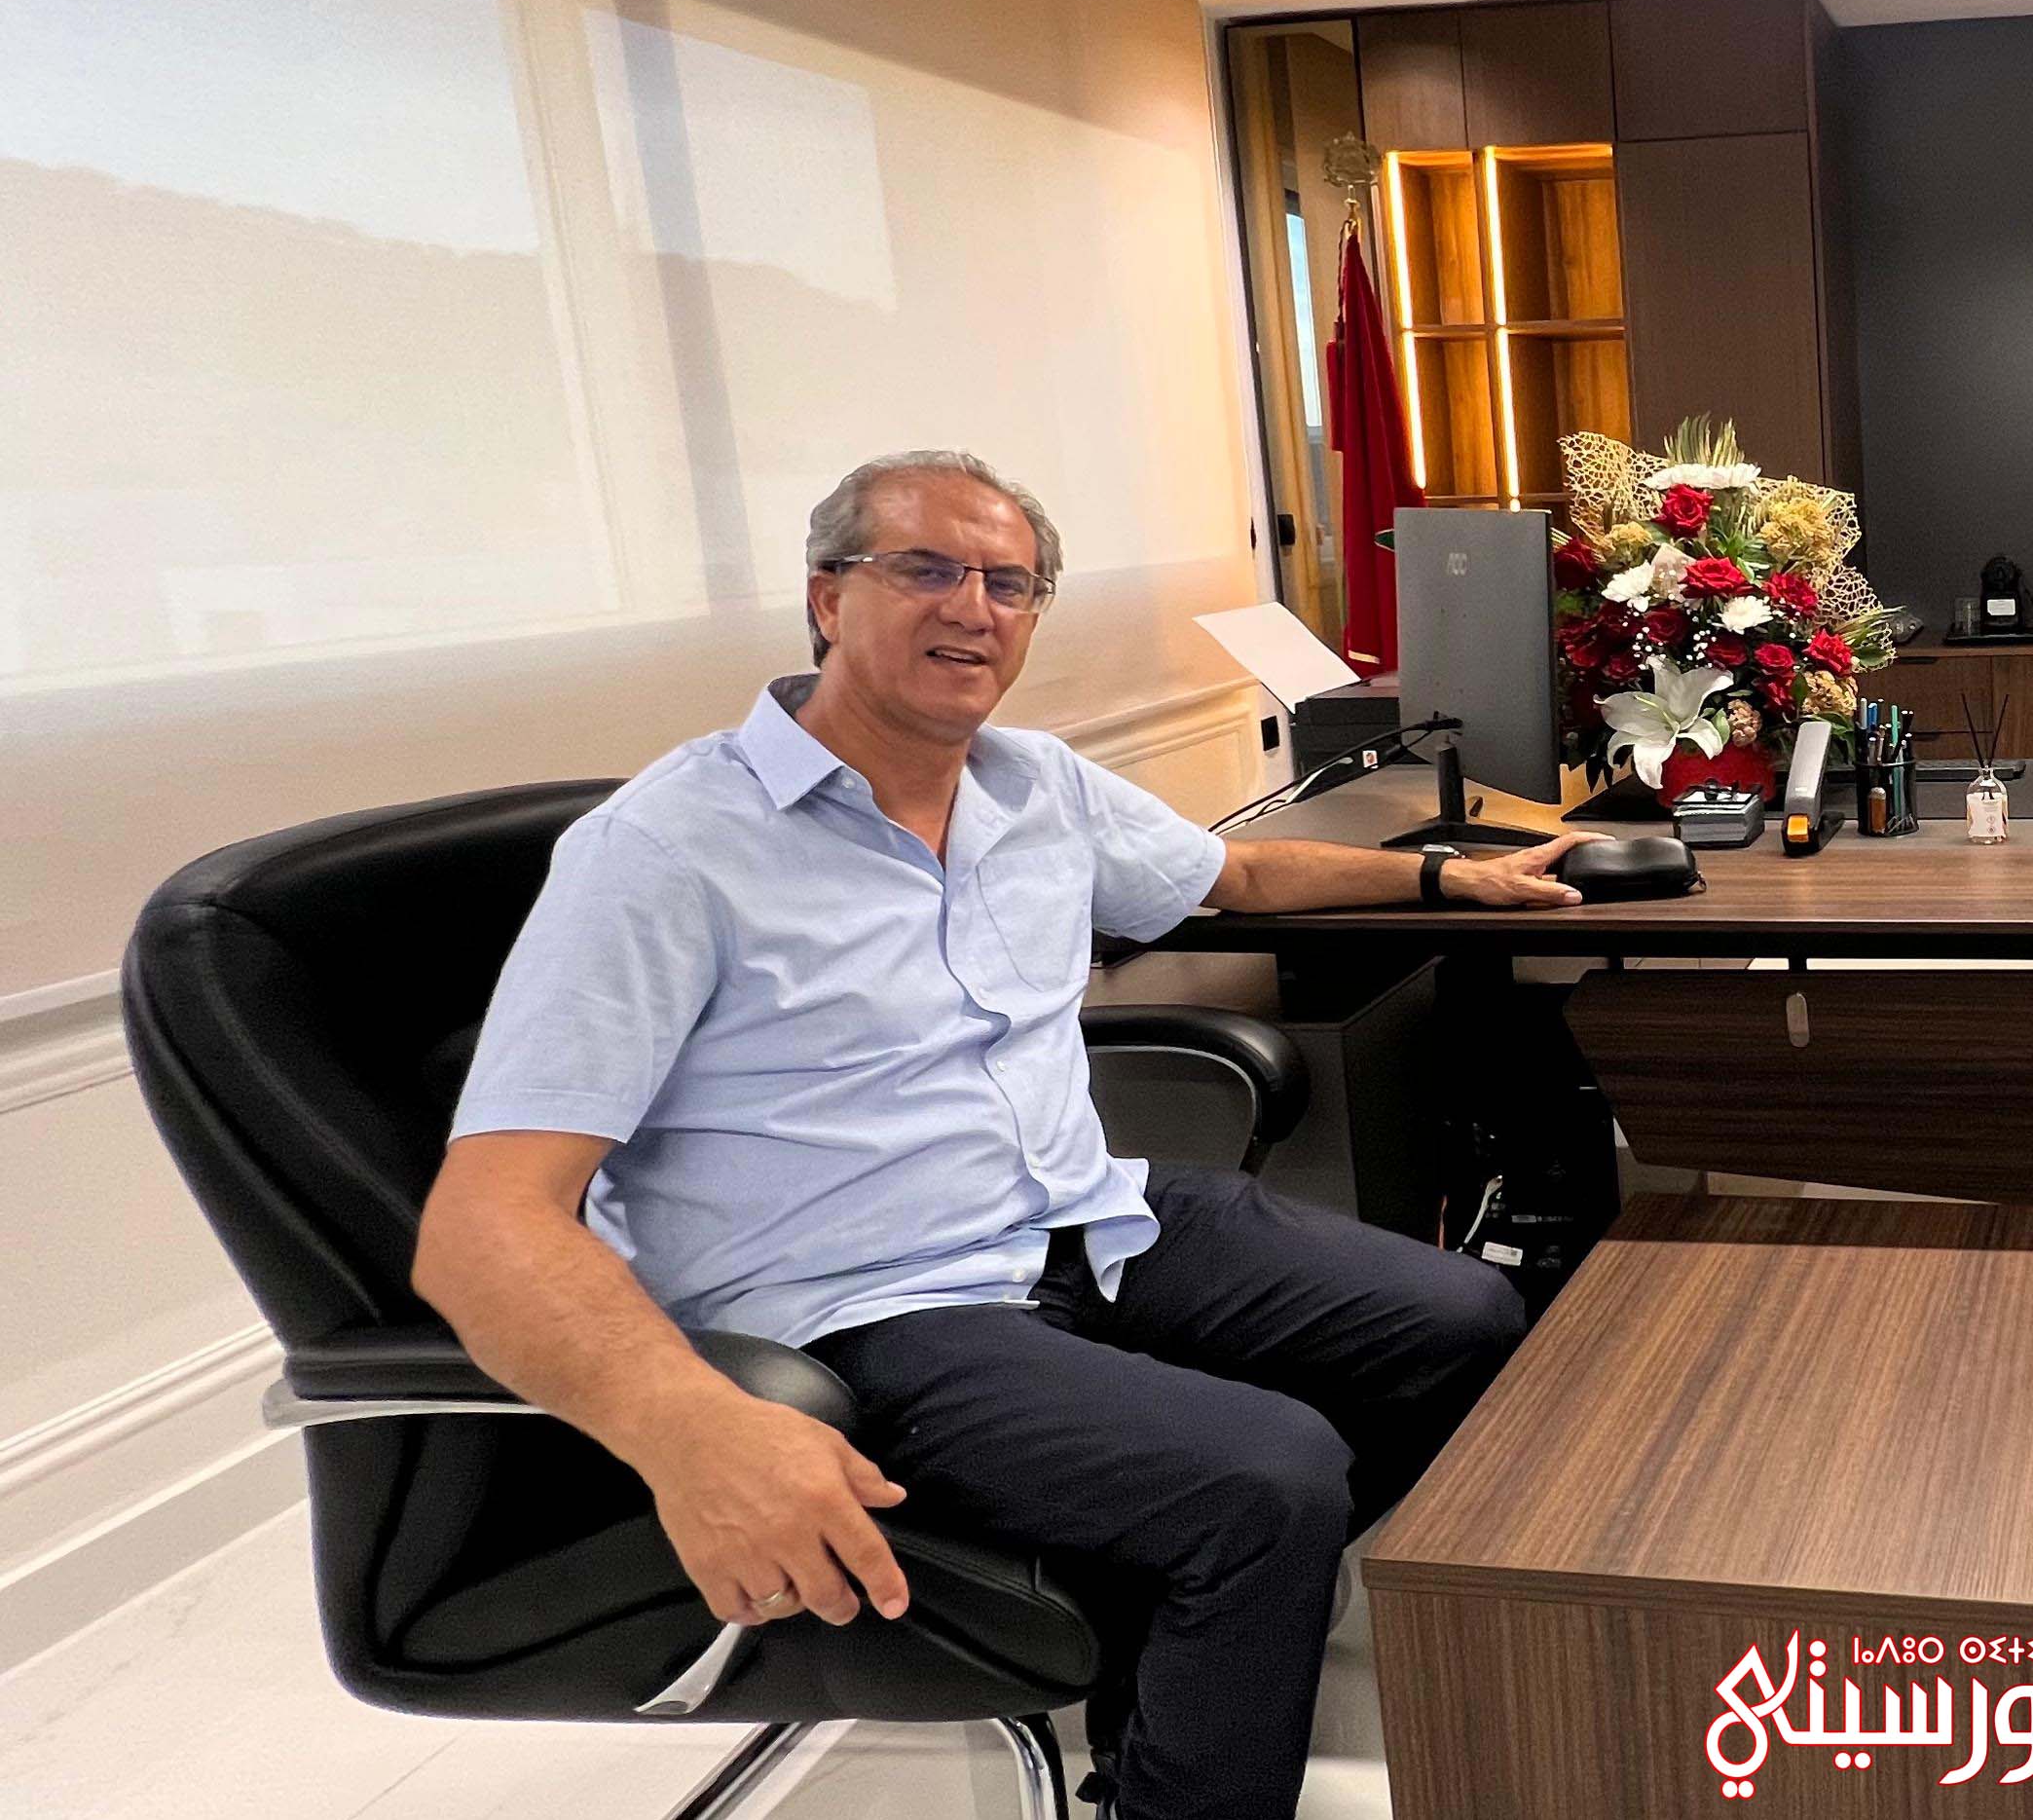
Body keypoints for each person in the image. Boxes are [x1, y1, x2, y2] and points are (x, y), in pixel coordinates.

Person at [414, 450, 1584, 1820]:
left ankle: (1179, 1628)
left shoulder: (1035, 785)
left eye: (1009, 583)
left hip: (1080, 1219)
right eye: (924, 568)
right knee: (1267, 1480)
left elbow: (1242, 871)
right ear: (826, 598)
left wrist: (1445, 875)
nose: (971, 607)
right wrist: (690, 1427)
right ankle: (1192, 1691)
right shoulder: (668, 849)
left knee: (1464, 1319)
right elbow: (483, 1225)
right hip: (863, 1306)